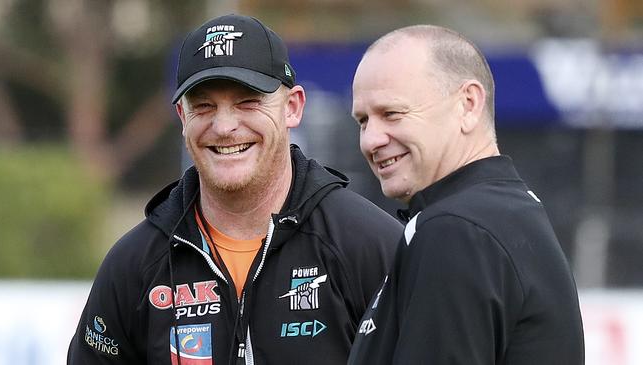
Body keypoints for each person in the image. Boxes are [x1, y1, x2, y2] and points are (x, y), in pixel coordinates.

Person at [67, 14, 401, 365]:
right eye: (204, 105)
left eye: (248, 102)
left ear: (292, 107)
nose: (224, 126)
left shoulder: (369, 245)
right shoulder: (134, 264)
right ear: (183, 118)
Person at [347, 25, 584, 364]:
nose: (371, 140)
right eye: (363, 121)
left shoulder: (454, 229)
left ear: (468, 104)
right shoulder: (500, 213)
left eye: (392, 114)